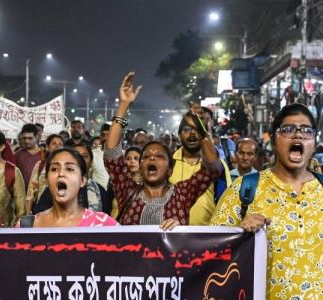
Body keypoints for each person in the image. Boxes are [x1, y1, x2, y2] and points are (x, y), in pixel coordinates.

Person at [211, 103, 323, 300]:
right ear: (273, 140)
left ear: (314, 141)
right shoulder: (245, 190)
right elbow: (211, 249)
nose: (297, 135)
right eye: (288, 129)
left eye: (305, 130)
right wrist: (237, 232)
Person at [104, 72, 221, 229]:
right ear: (140, 166)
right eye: (146, 156)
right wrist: (123, 105)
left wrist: (200, 125)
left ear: (170, 169)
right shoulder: (127, 190)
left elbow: (212, 169)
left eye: (159, 156)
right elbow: (112, 155)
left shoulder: (182, 194)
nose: (152, 158)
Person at [19, 147, 117, 227]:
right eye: (54, 169)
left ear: (82, 180)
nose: (61, 173)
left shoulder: (103, 224)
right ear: (47, 180)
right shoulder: (28, 225)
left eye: (69, 169)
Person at [169, 103, 231, 226]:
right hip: (172, 237)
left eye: (196, 130)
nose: (192, 134)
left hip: (207, 238)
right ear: (179, 135)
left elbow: (227, 201)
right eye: (187, 129)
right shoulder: (168, 163)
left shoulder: (218, 165)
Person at [25, 134, 64, 214]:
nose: (57, 146)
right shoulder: (40, 165)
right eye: (54, 143)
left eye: (60, 144)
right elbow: (31, 190)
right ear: (48, 147)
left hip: (62, 208)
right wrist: (28, 213)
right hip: (42, 209)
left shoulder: (68, 167)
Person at [14, 123, 44, 188]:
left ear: (36, 137)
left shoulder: (45, 154)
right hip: (21, 193)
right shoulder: (17, 155)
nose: (27, 141)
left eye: (30, 138)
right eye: (24, 138)